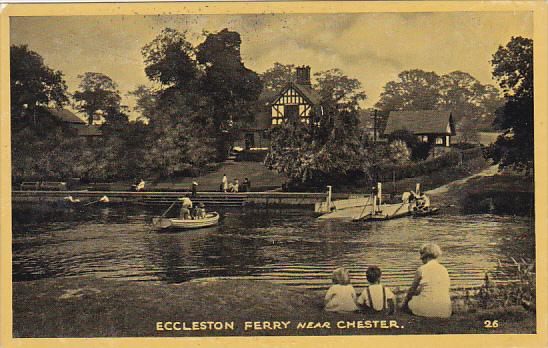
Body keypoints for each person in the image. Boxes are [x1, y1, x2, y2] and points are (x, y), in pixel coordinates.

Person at [403, 243, 452, 318]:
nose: (421, 259)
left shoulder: (421, 269)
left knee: (412, 301)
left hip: (426, 309)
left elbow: (412, 290)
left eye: (422, 257)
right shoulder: (444, 269)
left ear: (426, 257)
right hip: (445, 310)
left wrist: (405, 303)